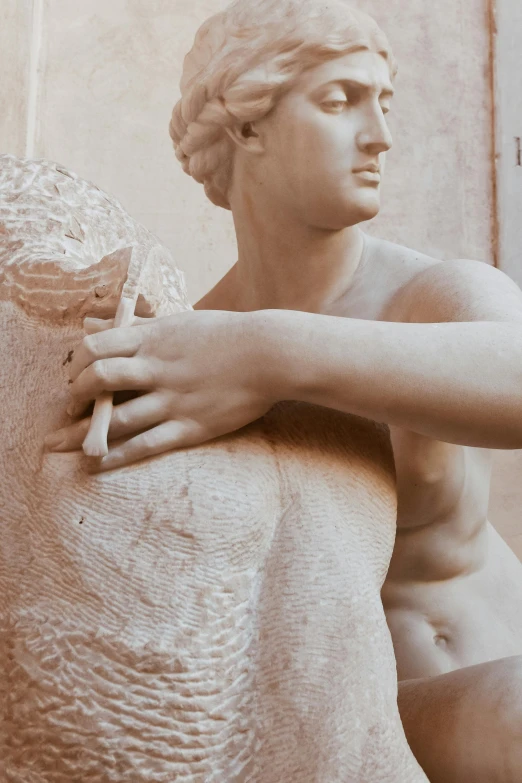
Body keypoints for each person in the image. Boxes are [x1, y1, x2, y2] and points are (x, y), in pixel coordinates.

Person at [46, 0, 522, 779]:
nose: (382, 136)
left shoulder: (429, 295)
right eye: (341, 101)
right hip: (359, 721)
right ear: (245, 126)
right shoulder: (193, 353)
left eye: (385, 102)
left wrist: (270, 352)